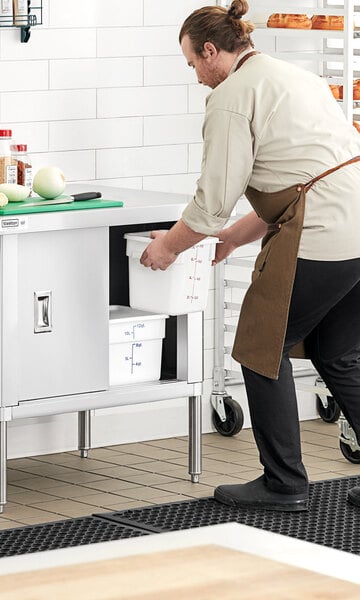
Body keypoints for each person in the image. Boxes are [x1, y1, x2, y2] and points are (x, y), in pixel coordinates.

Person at [139, 0, 360, 511]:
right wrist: (234, 240)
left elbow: (212, 201)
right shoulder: (289, 76)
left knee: (262, 350)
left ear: (212, 51)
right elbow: (302, 179)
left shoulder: (231, 97)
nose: (195, 76)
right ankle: (285, 480)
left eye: (193, 63)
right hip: (354, 223)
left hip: (322, 231)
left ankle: (283, 485)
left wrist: (167, 248)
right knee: (338, 354)